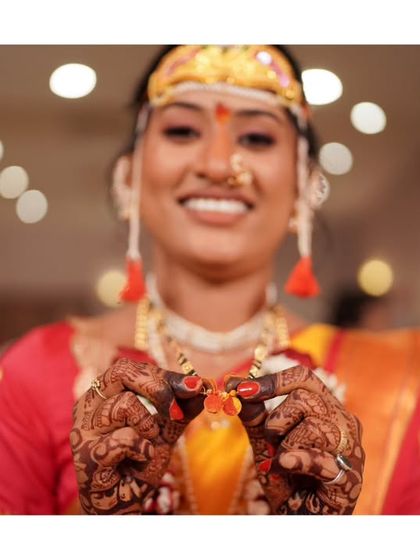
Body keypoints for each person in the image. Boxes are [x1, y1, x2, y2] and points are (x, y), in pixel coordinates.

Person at [0, 45, 416, 515]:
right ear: (129, 177)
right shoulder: (38, 372)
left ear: (304, 185)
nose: (219, 166)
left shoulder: (401, 384)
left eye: (257, 139)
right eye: (182, 131)